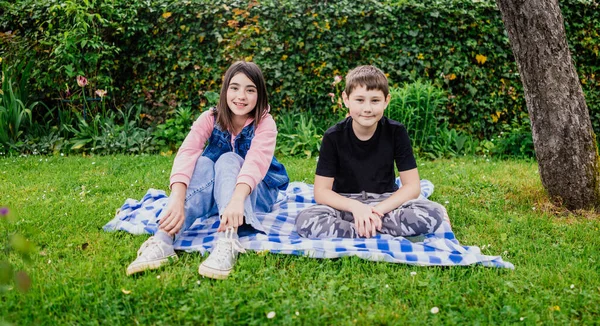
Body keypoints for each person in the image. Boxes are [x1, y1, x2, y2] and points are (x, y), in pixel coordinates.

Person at [127, 61, 289, 279]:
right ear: (225, 91)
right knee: (203, 163)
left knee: (229, 159)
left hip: (255, 193)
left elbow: (255, 163)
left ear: (260, 95)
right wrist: (176, 196)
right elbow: (187, 151)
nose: (241, 96)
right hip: (220, 193)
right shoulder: (209, 118)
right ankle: (164, 239)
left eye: (250, 90)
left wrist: (237, 199)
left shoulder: (265, 123)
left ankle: (228, 240)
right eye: (235, 88)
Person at [295, 65, 445, 239]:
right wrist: (357, 208)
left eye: (375, 101)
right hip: (345, 206)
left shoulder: (396, 132)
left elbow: (412, 186)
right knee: (306, 220)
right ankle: (369, 228)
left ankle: (364, 226)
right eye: (359, 100)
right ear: (346, 99)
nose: (367, 108)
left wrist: (376, 211)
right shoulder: (333, 136)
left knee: (432, 212)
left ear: (386, 101)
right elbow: (321, 192)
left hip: (385, 205)